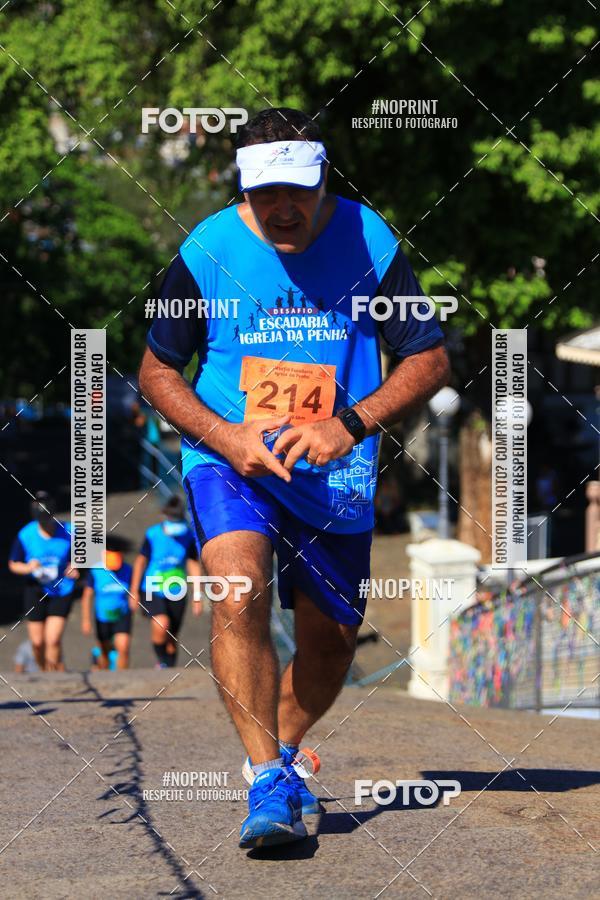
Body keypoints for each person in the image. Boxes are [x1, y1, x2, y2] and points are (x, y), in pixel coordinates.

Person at [138, 107, 450, 848]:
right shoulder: (207, 249)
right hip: (231, 459)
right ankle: (265, 785)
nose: (283, 208)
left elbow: (428, 359)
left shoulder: (370, 237)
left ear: (322, 179)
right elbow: (156, 370)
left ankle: (277, 754)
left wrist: (344, 425)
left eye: (298, 191)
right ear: (242, 185)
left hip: (335, 470)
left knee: (332, 643)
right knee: (237, 590)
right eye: (265, 191)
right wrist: (225, 436)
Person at [8, 491, 79, 671]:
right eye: (41, 521)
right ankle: (44, 671)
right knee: (38, 642)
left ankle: (52, 678)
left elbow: (90, 554)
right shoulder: (26, 534)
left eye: (48, 520)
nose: (46, 525)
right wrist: (28, 568)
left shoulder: (70, 531)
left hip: (62, 588)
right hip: (36, 589)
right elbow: (13, 564)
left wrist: (76, 566)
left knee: (53, 640)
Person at [129, 495, 202, 667]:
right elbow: (140, 562)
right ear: (165, 516)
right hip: (151, 588)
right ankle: (161, 661)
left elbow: (193, 564)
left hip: (177, 590)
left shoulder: (188, 535)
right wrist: (133, 591)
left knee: (172, 637)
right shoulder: (153, 534)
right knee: (162, 623)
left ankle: (168, 668)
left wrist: (197, 596)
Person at [81, 549, 133, 670]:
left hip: (122, 614)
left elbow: (134, 589)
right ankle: (103, 673)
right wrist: (86, 620)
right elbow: (87, 596)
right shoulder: (95, 571)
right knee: (105, 651)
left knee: (123, 648)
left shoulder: (128, 569)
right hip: (102, 617)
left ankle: (122, 680)